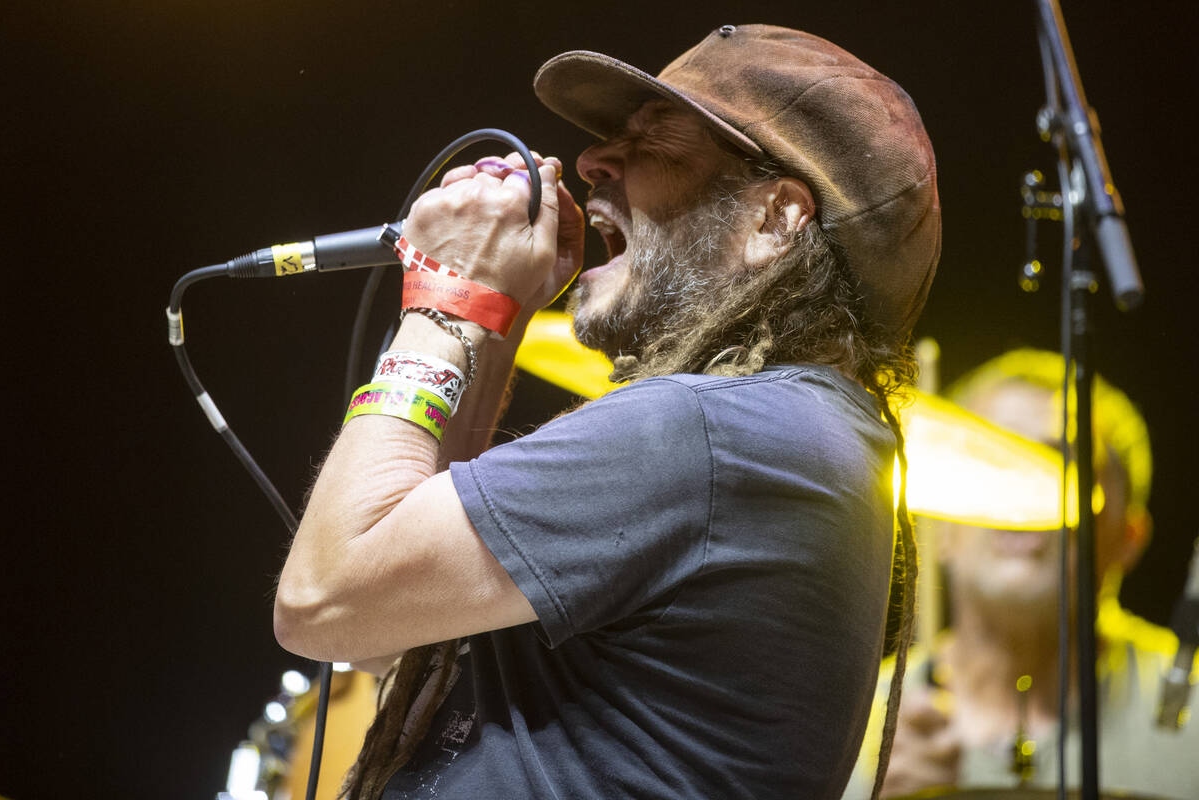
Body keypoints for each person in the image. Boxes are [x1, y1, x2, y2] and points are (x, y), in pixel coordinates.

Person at [274, 25, 940, 800]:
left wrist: (445, 299)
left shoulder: (711, 436)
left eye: (655, 139)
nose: (593, 160)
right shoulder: (790, 437)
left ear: (774, 219)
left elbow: (323, 599)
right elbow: (390, 625)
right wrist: (493, 320)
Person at [842, 349, 1199, 800]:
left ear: (1129, 537)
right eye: (991, 458)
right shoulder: (842, 725)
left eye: (1057, 464)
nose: (1018, 498)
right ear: (938, 527)